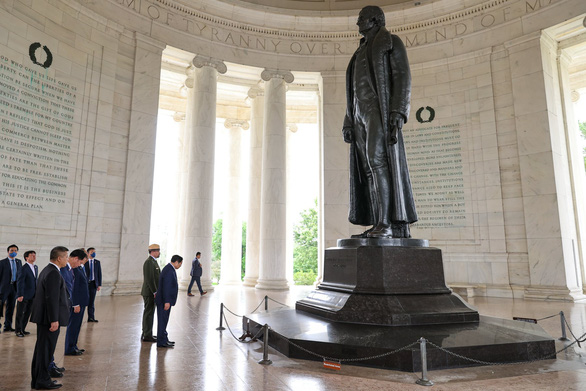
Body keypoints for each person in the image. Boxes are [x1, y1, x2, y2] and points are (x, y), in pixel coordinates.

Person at [342, 5, 417, 238]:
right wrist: (347, 121)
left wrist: (398, 111)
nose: (358, 23)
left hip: (378, 109)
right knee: (367, 170)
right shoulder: (358, 53)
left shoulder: (391, 42)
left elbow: (403, 76)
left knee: (378, 162)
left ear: (375, 20)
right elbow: (352, 92)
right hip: (359, 115)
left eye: (361, 19)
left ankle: (386, 223)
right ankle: (376, 223)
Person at [30, 246, 70, 390]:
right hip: (49, 320)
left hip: (44, 318)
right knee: (45, 350)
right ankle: (42, 380)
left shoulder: (48, 269)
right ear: (59, 258)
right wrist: (54, 319)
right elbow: (51, 298)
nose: (67, 259)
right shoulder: (53, 272)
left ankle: (38, 379)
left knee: (42, 350)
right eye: (66, 256)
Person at [64, 249, 89, 356]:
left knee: (77, 325)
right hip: (76, 303)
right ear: (76, 258)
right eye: (80, 262)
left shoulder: (78, 268)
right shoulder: (72, 269)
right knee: (73, 325)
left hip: (81, 302)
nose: (80, 264)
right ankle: (69, 348)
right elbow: (73, 288)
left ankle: (74, 346)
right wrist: (75, 304)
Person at [156, 255, 182, 348]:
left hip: (165, 300)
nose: (180, 266)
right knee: (162, 321)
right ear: (176, 262)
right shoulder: (169, 271)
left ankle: (164, 339)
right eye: (180, 264)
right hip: (164, 301)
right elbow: (167, 287)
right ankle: (161, 341)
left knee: (164, 320)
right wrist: (167, 301)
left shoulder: (169, 269)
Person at [15, 250, 38, 337]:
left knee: (27, 313)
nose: (34, 256)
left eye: (34, 255)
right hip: (23, 295)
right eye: (31, 255)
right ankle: (18, 330)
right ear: (26, 257)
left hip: (32, 295)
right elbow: (20, 282)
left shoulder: (35, 267)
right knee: (20, 313)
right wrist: (19, 294)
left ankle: (22, 329)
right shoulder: (23, 268)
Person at [0, 244, 23, 332]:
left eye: (15, 250)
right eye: (12, 250)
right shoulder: (2, 262)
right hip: (3, 288)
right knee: (0, 307)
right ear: (8, 251)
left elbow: (20, 276)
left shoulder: (19, 262)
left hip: (14, 287)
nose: (14, 252)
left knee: (11, 307)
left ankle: (8, 326)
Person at [141, 244, 161, 342]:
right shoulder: (149, 262)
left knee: (149, 313)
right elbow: (150, 279)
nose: (159, 252)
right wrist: (155, 291)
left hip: (151, 292)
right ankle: (147, 335)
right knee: (149, 313)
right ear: (152, 251)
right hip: (149, 292)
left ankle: (146, 332)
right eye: (158, 251)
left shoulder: (154, 262)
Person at [85, 247, 102, 322]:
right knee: (84, 301)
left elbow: (99, 274)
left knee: (91, 302)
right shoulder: (84, 262)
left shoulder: (97, 262)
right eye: (92, 252)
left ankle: (91, 317)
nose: (93, 253)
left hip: (93, 284)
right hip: (85, 284)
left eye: (94, 251)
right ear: (88, 253)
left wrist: (99, 284)